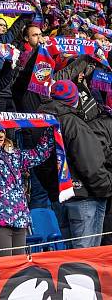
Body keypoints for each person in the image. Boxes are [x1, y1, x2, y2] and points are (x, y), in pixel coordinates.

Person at [37, 80, 112, 248]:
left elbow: (39, 163)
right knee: (85, 259)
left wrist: (53, 190)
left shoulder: (39, 122)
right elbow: (90, 162)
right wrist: (106, 188)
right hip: (84, 198)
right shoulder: (74, 123)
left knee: (70, 258)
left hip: (60, 197)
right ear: (74, 99)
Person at [0, 125, 53, 258]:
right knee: (5, 269)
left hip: (19, 218)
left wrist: (51, 129)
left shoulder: (14, 154)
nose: (0, 135)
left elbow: (40, 153)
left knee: (19, 268)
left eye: (2, 131)